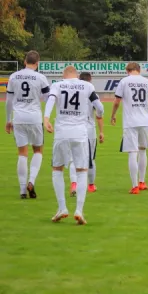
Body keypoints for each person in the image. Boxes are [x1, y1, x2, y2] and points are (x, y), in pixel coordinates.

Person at [43, 66, 104, 225]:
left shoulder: (58, 85)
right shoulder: (87, 86)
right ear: (76, 75)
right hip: (80, 132)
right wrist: (99, 115)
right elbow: (100, 107)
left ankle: (62, 207)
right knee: (82, 170)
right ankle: (79, 210)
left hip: (62, 132)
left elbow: (50, 100)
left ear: (64, 75)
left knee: (57, 169)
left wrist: (46, 118)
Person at [111, 62, 148, 194]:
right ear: (139, 70)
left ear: (128, 70)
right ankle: (142, 182)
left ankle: (134, 186)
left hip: (130, 122)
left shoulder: (124, 81)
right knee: (143, 151)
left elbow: (116, 101)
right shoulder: (147, 82)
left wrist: (113, 115)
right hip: (145, 121)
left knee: (133, 152)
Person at [5, 50, 50, 199]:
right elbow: (47, 97)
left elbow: (9, 101)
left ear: (24, 61)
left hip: (18, 118)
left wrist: (8, 120)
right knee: (38, 150)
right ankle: (31, 180)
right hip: (34, 117)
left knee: (22, 153)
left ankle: (23, 190)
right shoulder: (40, 77)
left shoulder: (13, 76)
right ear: (37, 64)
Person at [69, 72, 105, 195]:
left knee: (74, 157)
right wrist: (101, 129)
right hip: (89, 128)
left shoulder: (72, 91)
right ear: (90, 80)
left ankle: (74, 183)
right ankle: (91, 185)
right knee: (90, 158)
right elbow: (100, 108)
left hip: (73, 127)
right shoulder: (91, 91)